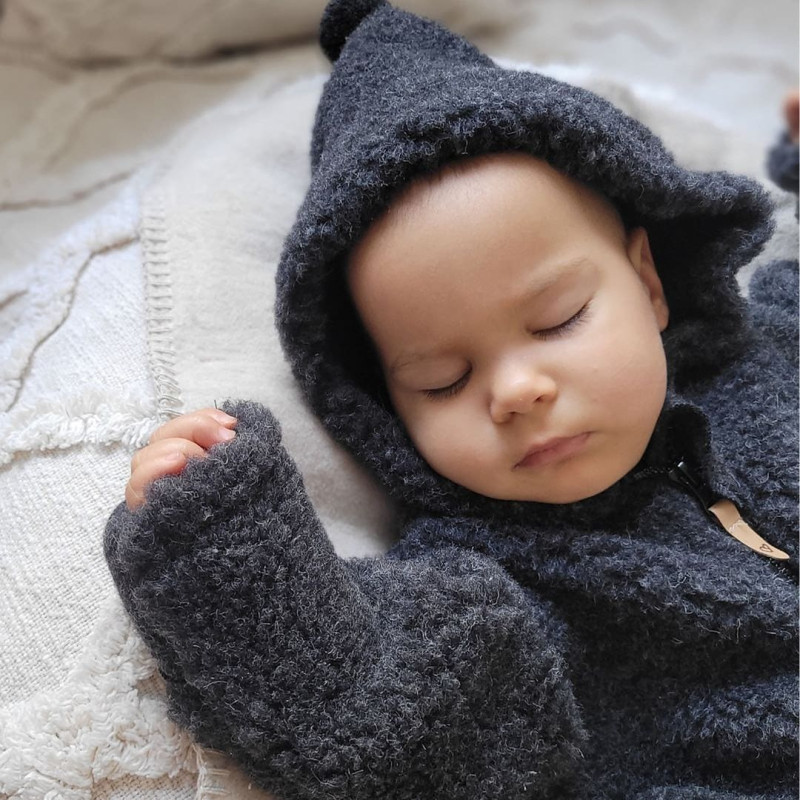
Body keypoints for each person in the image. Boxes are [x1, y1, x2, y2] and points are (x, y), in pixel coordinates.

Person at [105, 1, 799, 798]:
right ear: (383, 408)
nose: (515, 392)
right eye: (443, 380)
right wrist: (212, 538)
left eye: (558, 320)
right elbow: (367, 713)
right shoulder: (494, 584)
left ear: (648, 285)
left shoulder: (764, 360)